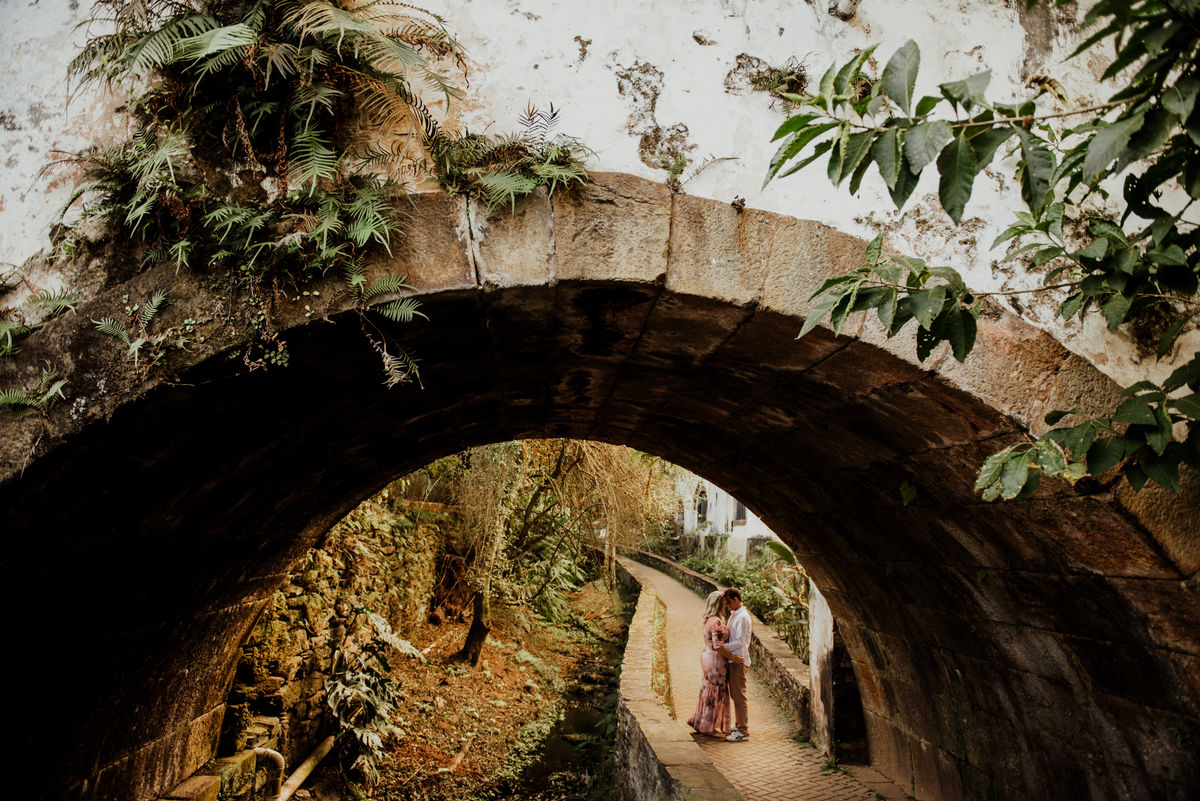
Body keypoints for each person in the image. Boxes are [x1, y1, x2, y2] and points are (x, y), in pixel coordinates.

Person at [686, 590, 737, 737]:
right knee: (716, 690)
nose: (726, 606)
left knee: (707, 688)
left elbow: (713, 644)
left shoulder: (708, 620)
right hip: (716, 660)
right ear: (719, 604)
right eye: (724, 603)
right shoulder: (717, 622)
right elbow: (718, 646)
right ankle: (711, 727)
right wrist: (733, 658)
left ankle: (702, 722)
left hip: (708, 656)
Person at [722, 587, 752, 741]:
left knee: (739, 697)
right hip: (733, 659)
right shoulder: (735, 615)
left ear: (735, 599)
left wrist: (721, 647)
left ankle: (743, 731)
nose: (727, 605)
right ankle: (739, 724)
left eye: (728, 602)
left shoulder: (742, 617)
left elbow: (740, 642)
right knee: (735, 695)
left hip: (738, 660)